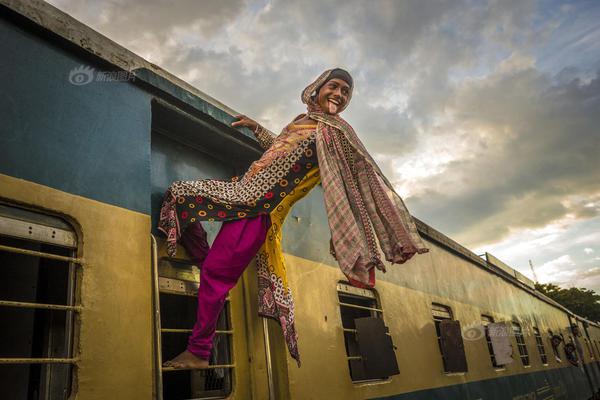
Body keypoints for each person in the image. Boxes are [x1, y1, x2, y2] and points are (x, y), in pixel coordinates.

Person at [158, 68, 428, 369]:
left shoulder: (337, 133)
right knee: (179, 196)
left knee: (217, 276)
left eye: (345, 92)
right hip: (241, 195)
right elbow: (282, 152)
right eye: (334, 87)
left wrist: (383, 230)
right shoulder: (303, 122)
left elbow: (363, 177)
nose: (339, 94)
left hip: (262, 210)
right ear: (317, 88)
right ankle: (205, 262)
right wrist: (257, 129)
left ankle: (199, 352)